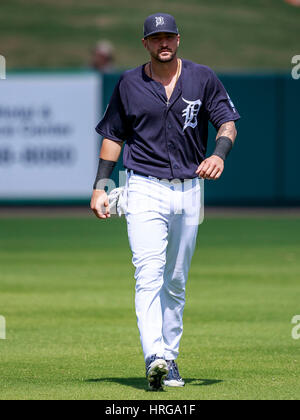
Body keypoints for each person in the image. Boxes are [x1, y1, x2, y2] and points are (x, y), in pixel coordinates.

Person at [90, 13, 240, 391]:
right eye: (156, 37)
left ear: (178, 38)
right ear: (145, 43)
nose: (163, 43)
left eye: (168, 36)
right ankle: (154, 356)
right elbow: (113, 135)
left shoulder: (202, 77)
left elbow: (227, 123)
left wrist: (219, 153)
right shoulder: (128, 82)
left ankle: (170, 358)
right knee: (148, 273)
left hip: (189, 187)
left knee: (175, 280)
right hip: (143, 186)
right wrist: (100, 185)